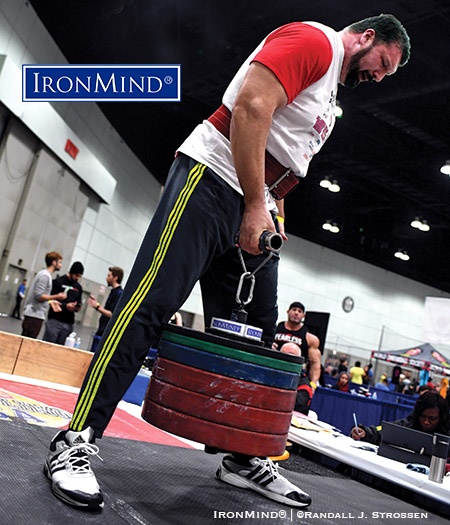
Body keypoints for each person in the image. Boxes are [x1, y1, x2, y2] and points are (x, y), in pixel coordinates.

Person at [43, 14, 410, 511]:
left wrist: (272, 213)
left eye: (388, 76)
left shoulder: (329, 92)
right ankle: (75, 441)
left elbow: (284, 153)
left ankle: (242, 458)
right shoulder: (314, 42)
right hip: (212, 180)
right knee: (149, 305)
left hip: (255, 203)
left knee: (258, 333)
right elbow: (251, 106)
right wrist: (258, 203)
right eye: (382, 63)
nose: (378, 77)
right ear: (367, 37)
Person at [273, 301, 321, 415]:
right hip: (275, 372)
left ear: (303, 316)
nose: (296, 313)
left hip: (295, 377)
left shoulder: (310, 338)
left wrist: (313, 384)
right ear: (288, 311)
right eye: (294, 310)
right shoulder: (275, 329)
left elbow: (315, 364)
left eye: (299, 311)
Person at [350, 390, 450, 445]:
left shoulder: (447, 434)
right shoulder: (407, 424)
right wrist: (365, 432)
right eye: (423, 416)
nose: (426, 422)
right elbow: (382, 431)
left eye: (432, 419)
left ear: (441, 417)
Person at [21, 252, 66, 339]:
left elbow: (41, 295)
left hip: (35, 315)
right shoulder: (45, 276)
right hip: (34, 315)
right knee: (27, 343)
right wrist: (57, 296)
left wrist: (51, 301)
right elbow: (39, 296)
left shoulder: (45, 275)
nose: (61, 265)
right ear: (54, 262)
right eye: (60, 262)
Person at [43, 261, 84, 346]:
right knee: (48, 345)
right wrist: (66, 306)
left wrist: (77, 307)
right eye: (77, 275)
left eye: (80, 276)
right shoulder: (58, 282)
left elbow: (79, 302)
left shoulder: (78, 287)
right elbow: (51, 299)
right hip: (55, 319)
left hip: (68, 322)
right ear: (72, 272)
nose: (78, 278)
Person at [87, 266, 124, 353]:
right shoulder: (113, 292)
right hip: (102, 331)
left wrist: (97, 306)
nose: (106, 278)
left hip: (105, 334)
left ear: (115, 278)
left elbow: (112, 314)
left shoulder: (118, 294)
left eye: (109, 275)